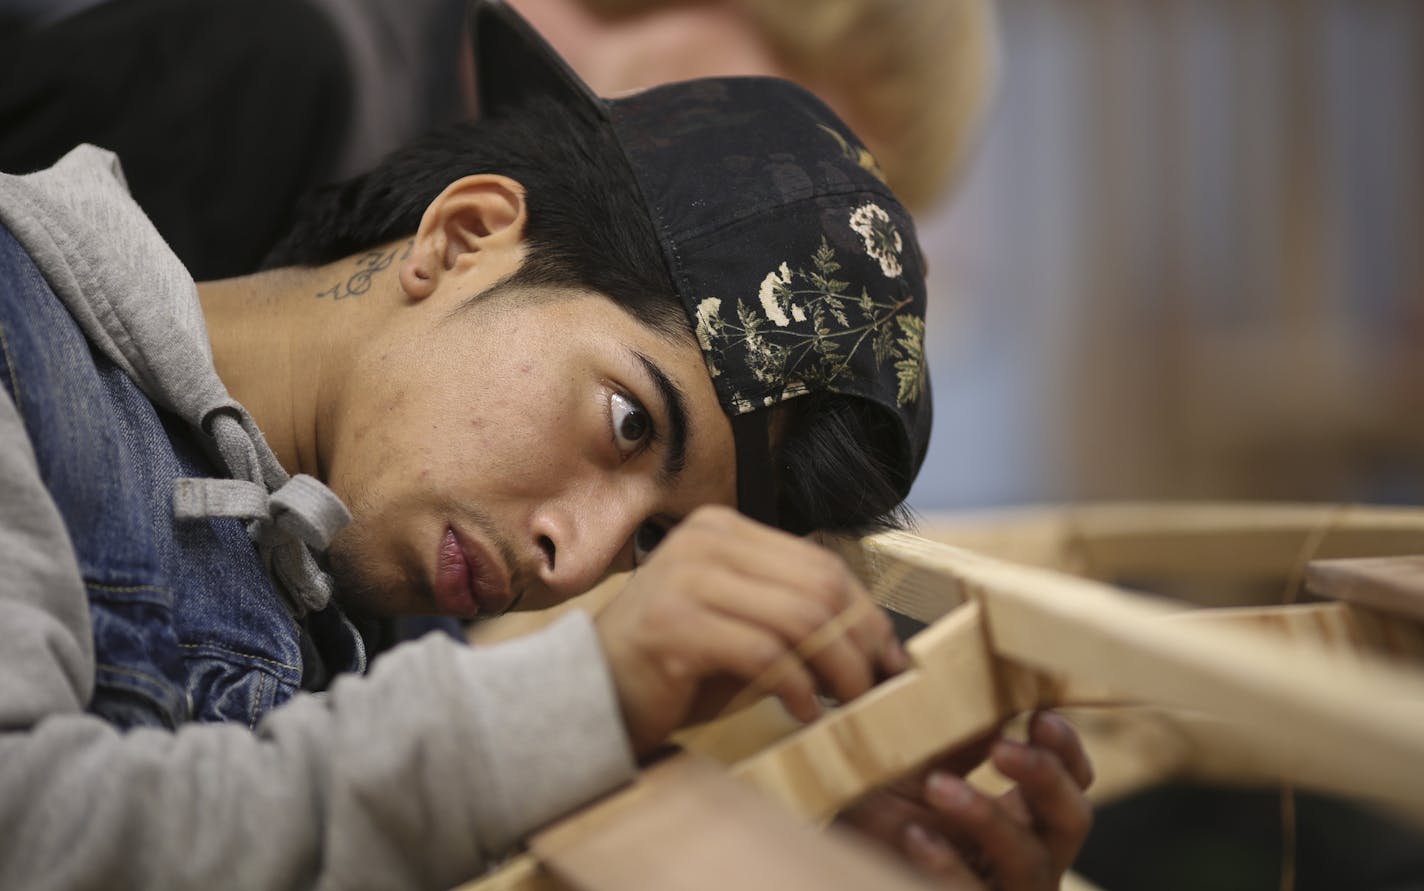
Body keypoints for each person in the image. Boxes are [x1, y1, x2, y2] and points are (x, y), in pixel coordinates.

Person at [0, 2, 1089, 887]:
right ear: (464, 236)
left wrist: (809, 829)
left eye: (650, 543)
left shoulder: (359, 609)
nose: (575, 563)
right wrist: (587, 697)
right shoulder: (21, 350)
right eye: (627, 423)